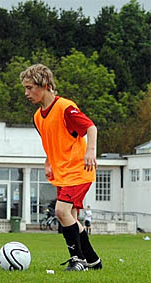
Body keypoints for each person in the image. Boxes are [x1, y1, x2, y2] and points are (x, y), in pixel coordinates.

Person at [20, 64, 102, 271]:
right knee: (71, 218)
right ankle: (92, 260)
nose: (26, 93)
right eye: (25, 88)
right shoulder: (38, 117)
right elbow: (53, 142)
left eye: (30, 88)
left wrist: (90, 151)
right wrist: (49, 162)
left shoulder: (65, 108)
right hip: (62, 174)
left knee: (61, 211)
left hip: (79, 171)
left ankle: (77, 260)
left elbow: (90, 127)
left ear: (45, 85)